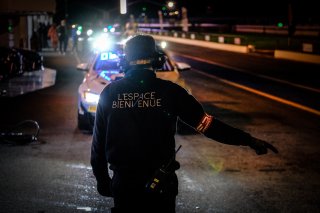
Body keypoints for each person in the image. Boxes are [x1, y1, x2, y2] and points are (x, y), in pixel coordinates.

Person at [90, 34, 278, 213]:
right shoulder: (172, 92)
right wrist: (248, 140)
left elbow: (98, 146)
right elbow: (207, 126)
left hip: (124, 187)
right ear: (158, 60)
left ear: (124, 62)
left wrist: (103, 181)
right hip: (161, 185)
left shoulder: (108, 94)